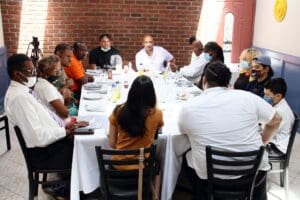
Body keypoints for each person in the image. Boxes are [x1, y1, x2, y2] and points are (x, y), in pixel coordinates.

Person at [178, 61, 281, 200]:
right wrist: (264, 140)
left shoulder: (188, 108)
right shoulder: (247, 97)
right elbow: (276, 119)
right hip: (252, 173)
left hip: (210, 178)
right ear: (228, 82)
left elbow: (184, 133)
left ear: (204, 80)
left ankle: (200, 195)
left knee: (185, 156)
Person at [4, 54, 88, 198]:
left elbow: (47, 118)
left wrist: (68, 124)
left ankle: (75, 184)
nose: (35, 74)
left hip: (50, 143)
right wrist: (65, 131)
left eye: (34, 69)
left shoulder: (24, 91)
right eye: (30, 71)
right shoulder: (19, 98)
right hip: (44, 153)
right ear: (17, 74)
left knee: (84, 135)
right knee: (85, 148)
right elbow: (38, 137)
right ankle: (69, 188)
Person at [108, 75, 163, 200]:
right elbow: (155, 136)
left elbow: (112, 144)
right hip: (142, 170)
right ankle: (156, 197)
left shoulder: (118, 111)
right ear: (152, 94)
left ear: (131, 92)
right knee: (158, 161)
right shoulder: (157, 113)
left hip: (118, 170)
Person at [264, 78, 295, 154]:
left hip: (277, 146)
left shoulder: (281, 111)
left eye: (267, 95)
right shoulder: (278, 105)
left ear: (278, 96)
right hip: (274, 138)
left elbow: (268, 132)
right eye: (264, 94)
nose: (265, 97)